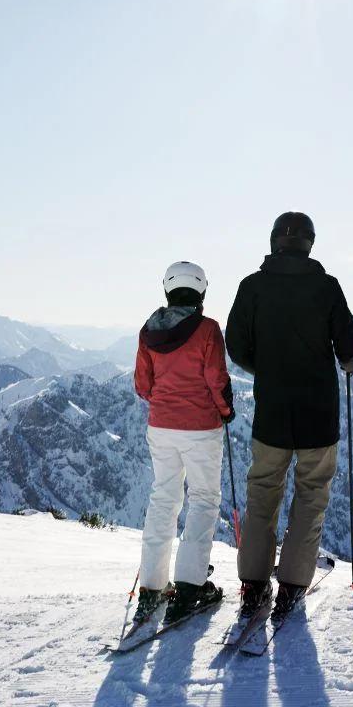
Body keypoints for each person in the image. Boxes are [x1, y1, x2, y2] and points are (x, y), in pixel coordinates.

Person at [225, 211, 353, 625]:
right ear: (309, 244)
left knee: (263, 494)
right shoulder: (327, 287)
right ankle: (292, 585)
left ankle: (253, 583)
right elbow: (349, 351)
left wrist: (265, 369)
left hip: (272, 413)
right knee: (311, 495)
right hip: (319, 416)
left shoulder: (252, 287)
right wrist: (348, 363)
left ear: (274, 242)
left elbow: (236, 346)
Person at [133, 260, 236, 626]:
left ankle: (151, 588)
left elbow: (142, 385)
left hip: (161, 426)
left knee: (163, 498)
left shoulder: (149, 330)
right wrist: (226, 410)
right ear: (201, 291)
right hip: (201, 428)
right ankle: (190, 588)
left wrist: (166, 403)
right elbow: (216, 378)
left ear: (168, 289)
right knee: (203, 500)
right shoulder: (207, 330)